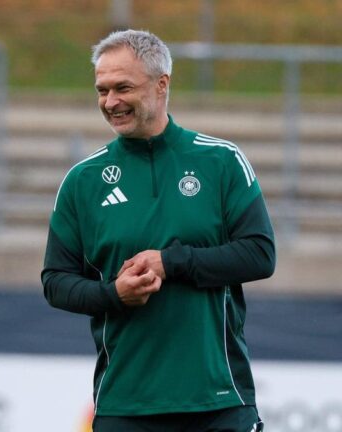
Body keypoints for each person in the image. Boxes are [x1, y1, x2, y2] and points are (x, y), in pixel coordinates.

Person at [42, 29, 276, 432]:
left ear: (161, 84)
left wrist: (171, 262)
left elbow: (260, 254)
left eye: (123, 88)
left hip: (219, 400)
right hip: (125, 404)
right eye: (102, 90)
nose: (110, 102)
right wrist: (112, 294)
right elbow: (56, 281)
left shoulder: (221, 161)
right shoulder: (83, 180)